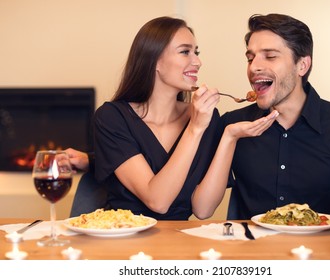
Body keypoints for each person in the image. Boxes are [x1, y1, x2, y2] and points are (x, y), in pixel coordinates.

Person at [93, 16, 278, 220]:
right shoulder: (112, 118)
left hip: (182, 240)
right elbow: (158, 201)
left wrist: (228, 137)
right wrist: (194, 129)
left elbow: (203, 209)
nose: (197, 62)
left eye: (196, 52)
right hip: (123, 237)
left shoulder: (205, 116)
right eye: (185, 52)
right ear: (153, 60)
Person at [222, 13, 330, 222]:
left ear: (302, 65)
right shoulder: (232, 125)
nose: (254, 66)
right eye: (250, 57)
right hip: (251, 250)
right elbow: (201, 203)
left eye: (270, 56)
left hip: (326, 253)